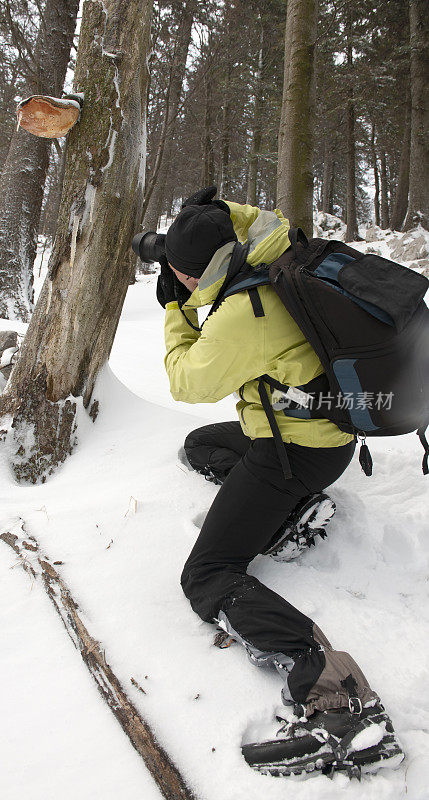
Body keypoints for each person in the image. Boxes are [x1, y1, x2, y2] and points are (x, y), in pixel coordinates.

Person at [155, 187, 404, 777]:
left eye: (181, 274)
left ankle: (339, 698)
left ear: (195, 277)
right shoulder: (279, 245)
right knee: (203, 446)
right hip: (322, 440)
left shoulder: (249, 313)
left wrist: (174, 309)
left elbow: (186, 382)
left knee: (208, 575)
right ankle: (292, 515)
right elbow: (239, 224)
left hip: (293, 452)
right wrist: (200, 219)